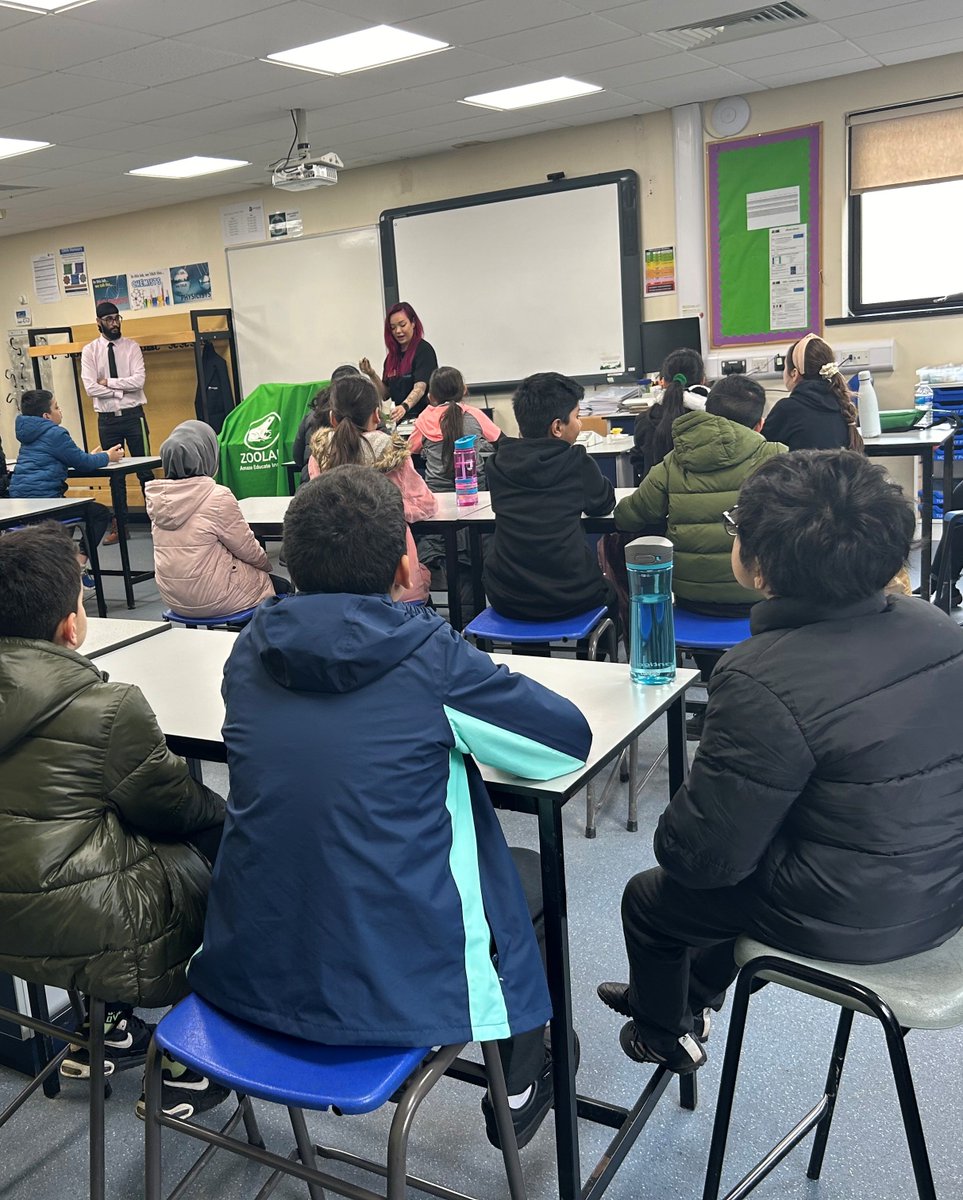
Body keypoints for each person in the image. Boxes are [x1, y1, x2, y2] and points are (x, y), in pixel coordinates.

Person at [187, 466, 593, 1149]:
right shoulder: (429, 656)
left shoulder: (249, 651)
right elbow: (562, 741)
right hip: (394, 984)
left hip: (251, 966)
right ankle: (520, 1080)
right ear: (406, 555)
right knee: (523, 876)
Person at [598, 450, 963, 1075]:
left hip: (854, 919)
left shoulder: (760, 676)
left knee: (651, 900)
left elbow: (700, 858)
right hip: (943, 889)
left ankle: (661, 1032)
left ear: (760, 566)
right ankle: (695, 997)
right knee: (752, 869)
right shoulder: (937, 626)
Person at [0, 524, 227, 1117]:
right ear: (71, 626)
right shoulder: (108, 708)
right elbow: (173, 805)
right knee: (217, 852)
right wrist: (228, 818)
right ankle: (191, 1065)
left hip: (9, 914)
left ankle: (103, 1030)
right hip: (91, 926)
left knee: (81, 842)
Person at [614, 375, 785, 616]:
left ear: (707, 412)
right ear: (760, 425)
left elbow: (629, 517)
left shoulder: (674, 461)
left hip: (690, 599)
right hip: (760, 599)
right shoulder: (777, 458)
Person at [484, 371, 616, 623]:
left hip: (506, 594)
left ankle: (530, 655)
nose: (580, 424)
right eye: (577, 417)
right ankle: (596, 660)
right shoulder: (576, 462)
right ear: (557, 427)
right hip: (569, 593)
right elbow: (602, 503)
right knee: (613, 595)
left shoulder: (498, 462)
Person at [308, 374, 437, 603]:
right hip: (395, 580)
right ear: (377, 414)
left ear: (332, 418)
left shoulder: (320, 456)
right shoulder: (392, 451)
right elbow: (424, 505)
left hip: (338, 578)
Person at [145, 421, 290, 619]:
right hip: (216, 598)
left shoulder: (157, 497)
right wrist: (265, 565)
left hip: (173, 598)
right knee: (283, 587)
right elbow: (247, 549)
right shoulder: (217, 496)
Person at [9, 388, 123, 585]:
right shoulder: (55, 432)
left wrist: (91, 456)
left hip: (20, 505)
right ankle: (78, 564)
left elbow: (61, 457)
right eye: (56, 407)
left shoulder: (28, 433)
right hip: (46, 504)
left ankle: (60, 568)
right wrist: (107, 456)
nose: (60, 411)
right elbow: (83, 463)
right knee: (99, 513)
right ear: (46, 416)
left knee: (67, 515)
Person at [80, 300, 156, 542]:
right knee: (116, 475)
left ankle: (158, 524)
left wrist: (109, 383)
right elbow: (91, 388)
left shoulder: (131, 347)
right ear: (98, 323)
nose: (114, 323)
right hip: (107, 420)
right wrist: (119, 391)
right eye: (109, 319)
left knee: (145, 471)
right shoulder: (90, 351)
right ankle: (121, 527)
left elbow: (138, 382)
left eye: (117, 318)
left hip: (134, 417)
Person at [763, 333, 863, 452]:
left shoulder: (787, 409)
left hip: (802, 471)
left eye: (785, 368)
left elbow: (762, 451)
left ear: (794, 373)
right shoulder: (843, 405)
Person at [408, 365, 502, 492]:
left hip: (437, 493)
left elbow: (408, 453)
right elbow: (503, 443)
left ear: (431, 396)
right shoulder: (475, 414)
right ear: (464, 390)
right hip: (475, 491)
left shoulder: (424, 419)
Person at [631, 348, 708, 481]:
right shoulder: (712, 420)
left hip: (655, 497)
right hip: (701, 496)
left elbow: (639, 462)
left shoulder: (645, 419)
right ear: (702, 381)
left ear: (663, 381)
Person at [360, 301, 438, 424]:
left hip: (424, 419)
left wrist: (404, 407)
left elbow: (420, 388)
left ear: (413, 323)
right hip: (401, 420)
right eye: (393, 327)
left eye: (402, 325)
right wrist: (371, 374)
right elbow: (385, 394)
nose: (398, 331)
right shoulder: (391, 357)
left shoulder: (423, 350)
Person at [291, 364, 360, 486]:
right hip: (355, 490)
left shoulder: (311, 416)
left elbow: (297, 457)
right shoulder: (365, 413)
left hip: (309, 489)